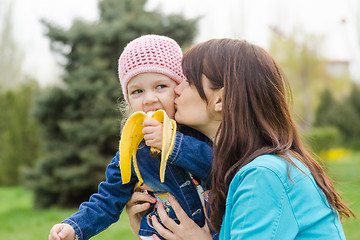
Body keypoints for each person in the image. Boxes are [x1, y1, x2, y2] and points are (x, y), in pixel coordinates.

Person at [127, 38, 355, 239]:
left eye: (188, 80)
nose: (176, 89)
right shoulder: (244, 168)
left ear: (220, 101)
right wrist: (150, 229)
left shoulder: (264, 175)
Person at [48, 35, 214, 240]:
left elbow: (219, 166)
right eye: (137, 91)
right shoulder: (133, 149)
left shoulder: (200, 130)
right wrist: (74, 227)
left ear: (179, 88)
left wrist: (172, 144)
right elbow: (108, 198)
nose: (149, 99)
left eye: (161, 86)